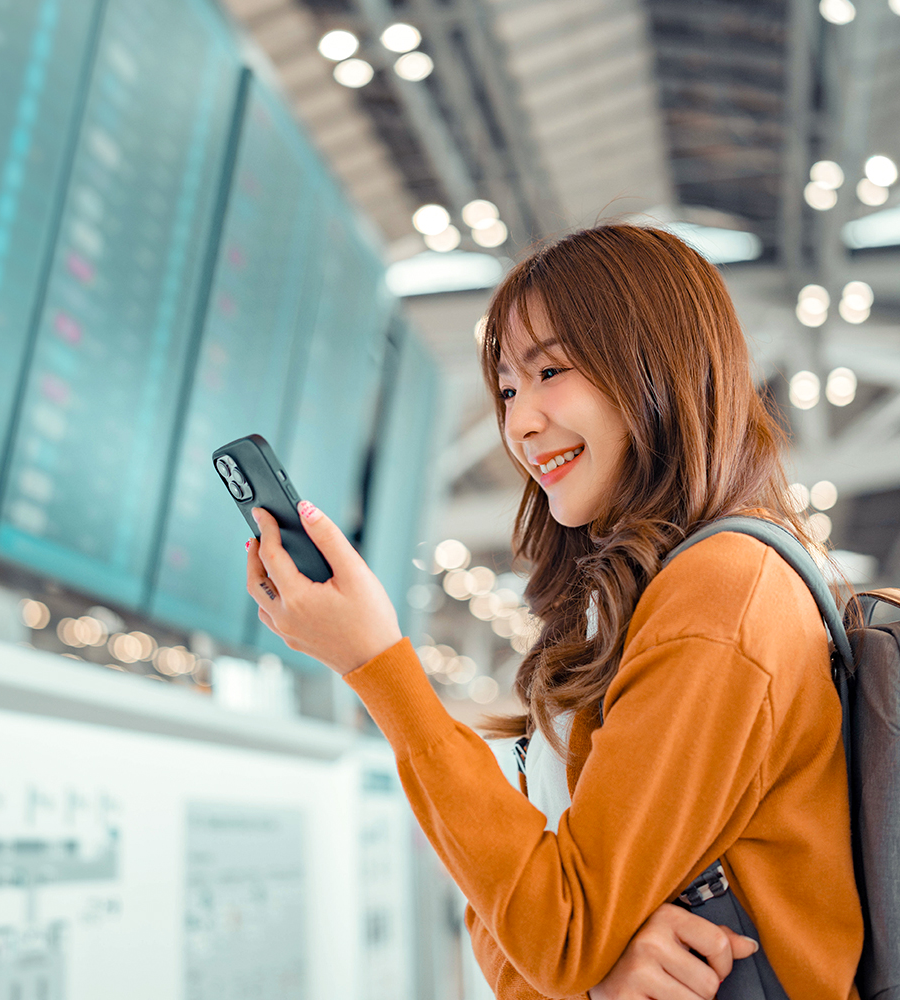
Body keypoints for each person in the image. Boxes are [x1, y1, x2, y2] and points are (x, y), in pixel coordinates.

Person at [245, 224, 861, 999]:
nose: (519, 423)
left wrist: (375, 664)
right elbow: (515, 915)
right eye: (508, 389)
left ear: (655, 365)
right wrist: (589, 971)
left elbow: (555, 929)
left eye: (550, 371)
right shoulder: (643, 601)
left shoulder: (724, 593)